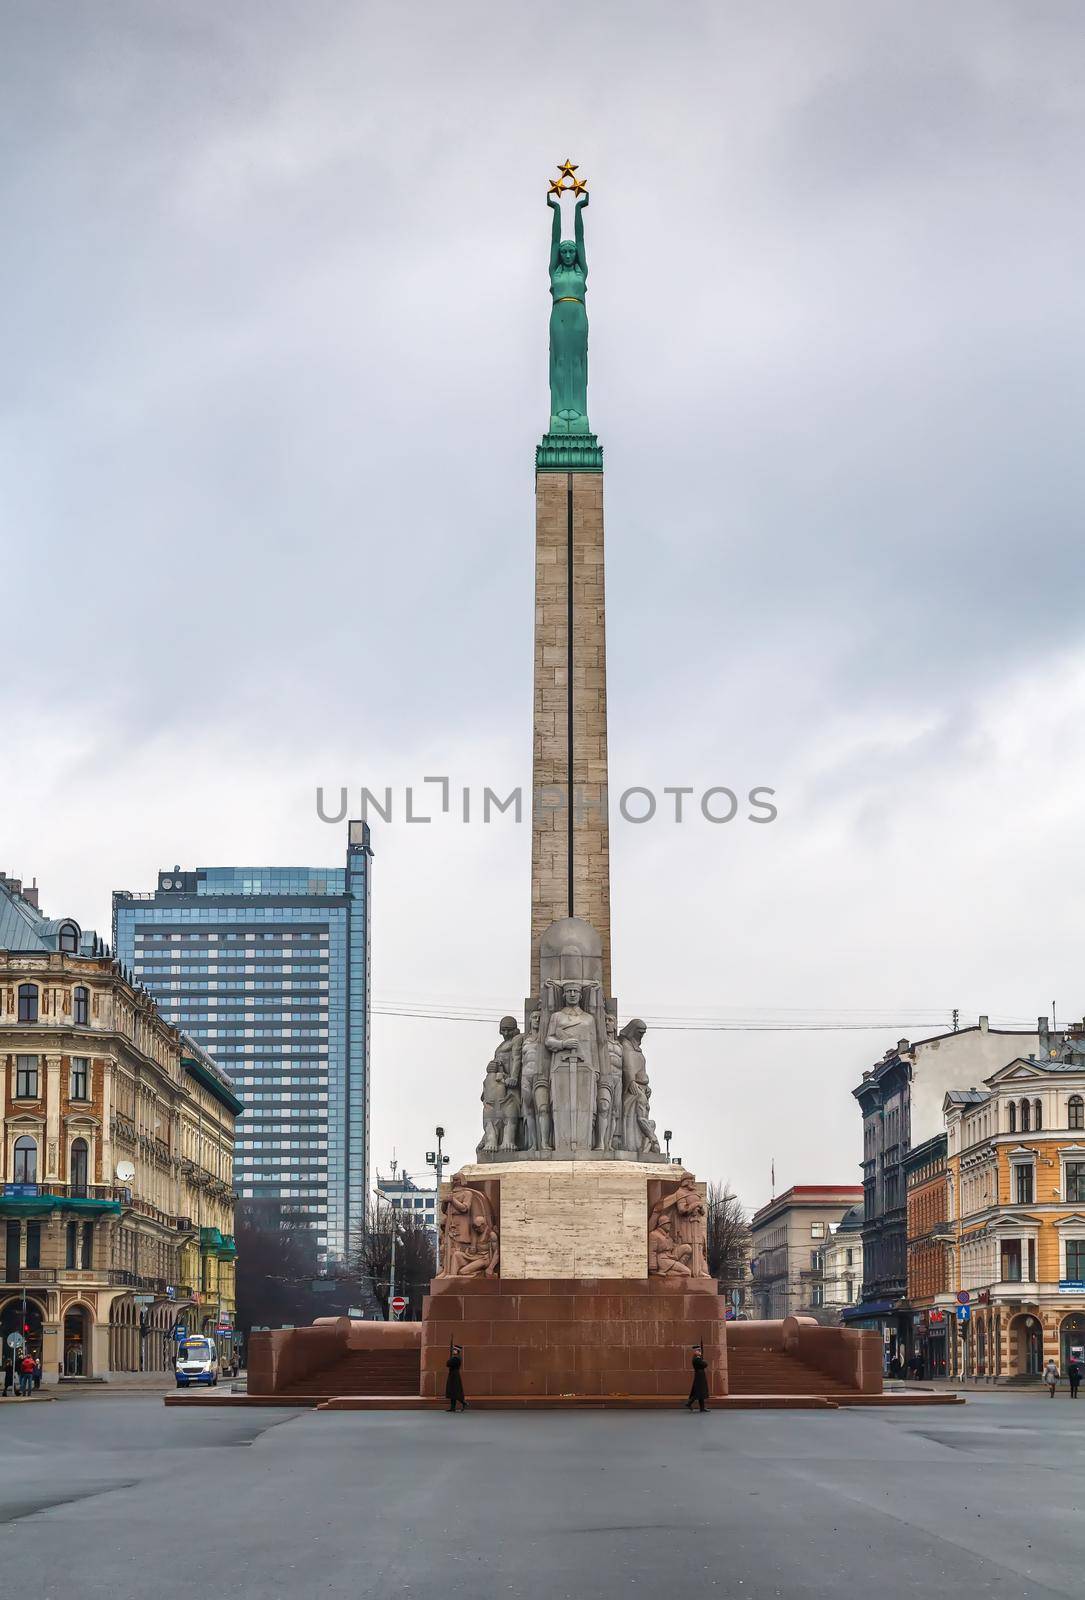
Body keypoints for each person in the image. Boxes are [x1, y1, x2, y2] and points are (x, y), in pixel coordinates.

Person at [685, 1348, 710, 1414]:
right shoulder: (696, 1359)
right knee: (699, 1392)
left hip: (700, 1376)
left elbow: (704, 1364)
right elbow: (705, 1364)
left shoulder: (698, 1358)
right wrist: (703, 1360)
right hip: (699, 1377)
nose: (699, 1352)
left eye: (699, 1351)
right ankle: (689, 1403)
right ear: (695, 1352)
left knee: (700, 1392)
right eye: (698, 1351)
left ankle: (702, 1408)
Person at [445, 1344, 466, 1413]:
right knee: (452, 1391)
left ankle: (463, 1403)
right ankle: (452, 1408)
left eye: (455, 1350)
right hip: (453, 1375)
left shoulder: (456, 1358)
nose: (453, 1351)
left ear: (457, 1351)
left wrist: (450, 1359)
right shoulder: (455, 1357)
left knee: (455, 1391)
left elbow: (448, 1364)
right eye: (453, 1350)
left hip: (454, 1375)